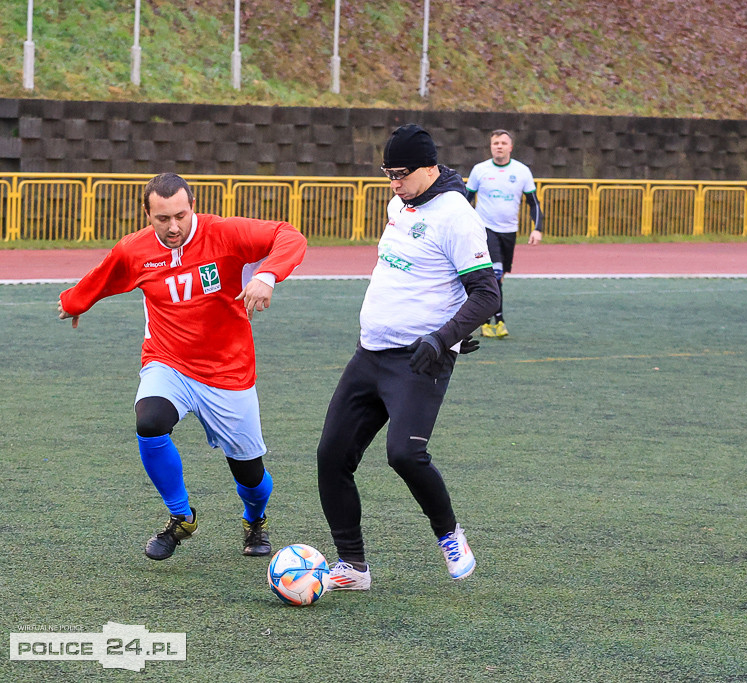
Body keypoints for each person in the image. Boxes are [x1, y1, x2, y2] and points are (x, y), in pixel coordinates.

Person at [58, 173, 307, 560]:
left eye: (181, 215)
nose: (173, 227)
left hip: (228, 372)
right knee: (149, 422)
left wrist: (266, 274)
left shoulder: (224, 234)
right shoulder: (135, 250)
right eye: (162, 219)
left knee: (250, 476)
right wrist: (75, 302)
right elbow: (104, 276)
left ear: (193, 206)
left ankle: (254, 519)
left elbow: (288, 235)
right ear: (147, 214)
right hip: (167, 362)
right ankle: (181, 517)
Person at [317, 124, 500, 590]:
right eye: (387, 174)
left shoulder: (457, 215)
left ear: (429, 167)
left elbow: (486, 294)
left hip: (419, 359)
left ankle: (450, 534)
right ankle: (353, 567)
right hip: (370, 353)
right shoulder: (399, 204)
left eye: (401, 174)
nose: (394, 184)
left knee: (404, 453)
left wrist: (444, 337)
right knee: (331, 455)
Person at [466, 128, 543, 339]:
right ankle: (496, 321)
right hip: (485, 229)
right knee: (495, 273)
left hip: (509, 232)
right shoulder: (480, 170)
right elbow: (466, 199)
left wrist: (537, 228)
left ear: (510, 147)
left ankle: (487, 320)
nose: (499, 146)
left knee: (498, 278)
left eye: (503, 143)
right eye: (495, 143)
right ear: (491, 147)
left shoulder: (522, 171)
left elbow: (534, 203)